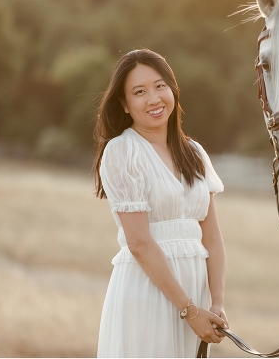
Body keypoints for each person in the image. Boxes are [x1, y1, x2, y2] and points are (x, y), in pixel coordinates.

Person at [93, 49, 228, 357]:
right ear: (125, 105)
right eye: (139, 92)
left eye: (159, 86)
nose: (153, 98)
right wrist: (188, 309)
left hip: (195, 298)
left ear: (173, 90)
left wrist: (215, 302)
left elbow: (212, 238)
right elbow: (139, 243)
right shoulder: (123, 151)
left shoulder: (194, 153)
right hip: (148, 294)